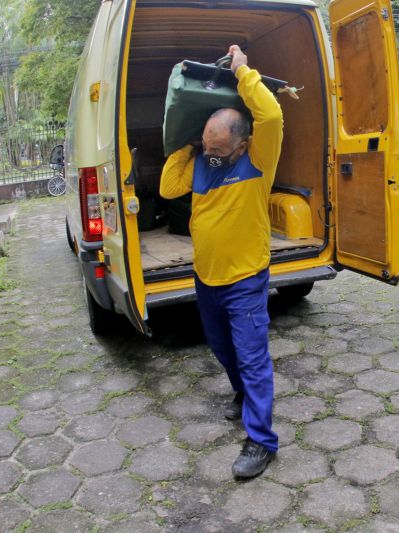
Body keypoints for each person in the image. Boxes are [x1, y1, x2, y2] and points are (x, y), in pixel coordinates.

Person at [160, 44, 283, 479]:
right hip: (206, 277)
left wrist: (244, 71)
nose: (214, 154)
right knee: (221, 346)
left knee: (252, 357)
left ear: (242, 143)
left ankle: (262, 442)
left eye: (219, 147)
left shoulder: (258, 158)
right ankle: (242, 395)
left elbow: (271, 116)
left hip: (245, 277)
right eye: (209, 146)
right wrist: (190, 146)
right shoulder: (203, 160)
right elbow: (169, 187)